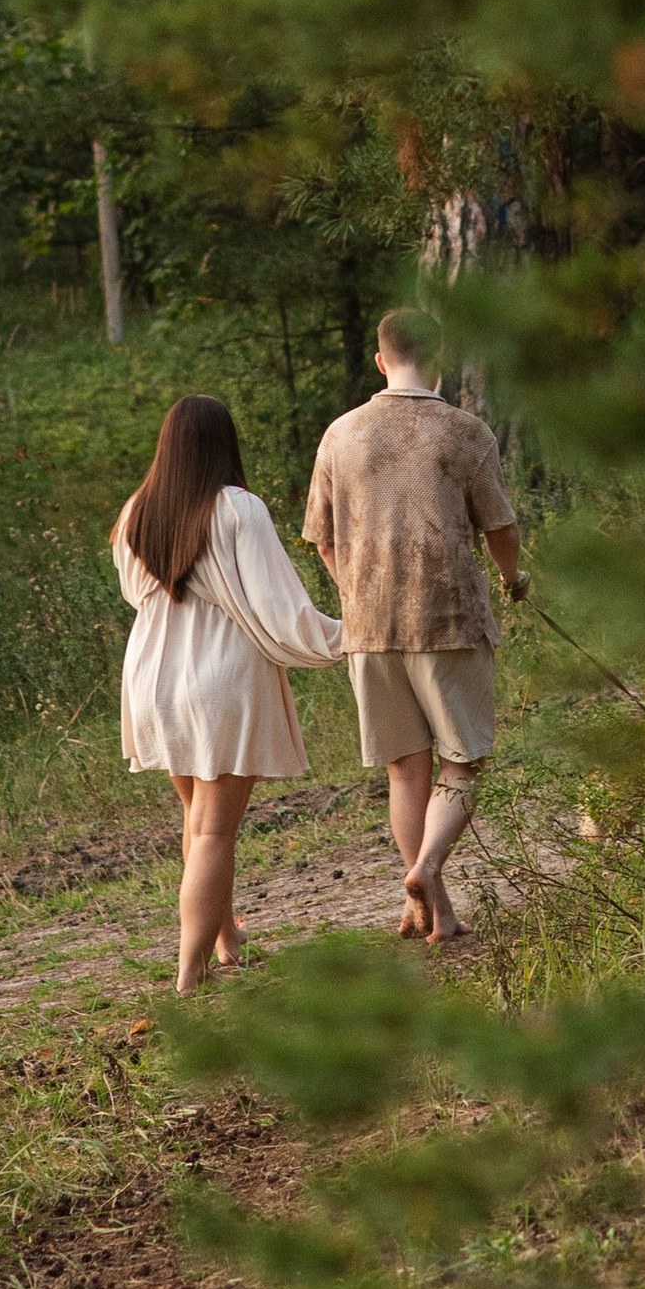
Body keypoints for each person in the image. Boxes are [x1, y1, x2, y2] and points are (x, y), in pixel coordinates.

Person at [303, 308, 525, 947]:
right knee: (462, 761)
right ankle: (426, 869)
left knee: (406, 771)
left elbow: (323, 537)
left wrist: (356, 592)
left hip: (369, 625)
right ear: (444, 354)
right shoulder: (463, 432)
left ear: (380, 360)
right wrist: (511, 581)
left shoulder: (341, 434)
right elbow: (501, 529)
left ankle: (433, 910)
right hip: (448, 618)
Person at [114, 393, 345, 994]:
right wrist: (348, 634)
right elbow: (278, 604)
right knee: (215, 829)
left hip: (151, 674)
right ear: (224, 445)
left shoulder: (135, 511)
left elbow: (134, 592)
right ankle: (189, 975)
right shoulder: (239, 509)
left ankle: (226, 945)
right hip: (217, 674)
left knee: (197, 819)